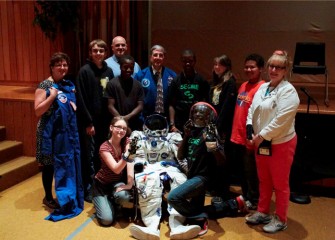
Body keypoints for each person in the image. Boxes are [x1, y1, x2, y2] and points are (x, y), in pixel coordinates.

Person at [245, 50, 300, 233]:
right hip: (261, 143)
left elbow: (281, 121)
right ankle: (263, 211)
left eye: (279, 67)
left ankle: (281, 218)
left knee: (280, 184)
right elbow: (253, 109)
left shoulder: (289, 92)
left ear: (286, 71)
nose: (274, 69)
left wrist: (260, 137)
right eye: (272, 66)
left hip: (281, 144)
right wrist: (249, 128)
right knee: (264, 180)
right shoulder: (263, 87)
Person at [129, 114, 201, 240]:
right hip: (148, 168)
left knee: (180, 180)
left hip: (170, 167)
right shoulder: (138, 136)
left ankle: (177, 224)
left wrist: (190, 173)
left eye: (158, 127)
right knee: (148, 181)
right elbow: (137, 156)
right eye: (153, 126)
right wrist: (139, 167)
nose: (156, 130)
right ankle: (151, 226)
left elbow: (181, 157)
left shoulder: (173, 136)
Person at [35, 52, 84, 221]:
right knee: (48, 165)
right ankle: (48, 196)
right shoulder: (45, 85)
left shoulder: (66, 84)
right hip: (47, 133)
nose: (63, 68)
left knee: (63, 163)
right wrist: (53, 96)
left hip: (63, 133)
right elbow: (38, 110)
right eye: (59, 65)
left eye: (65, 65)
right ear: (52, 67)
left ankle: (64, 193)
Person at [167, 102, 225, 237]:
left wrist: (213, 146)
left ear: (208, 117)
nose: (198, 114)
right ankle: (231, 205)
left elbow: (222, 161)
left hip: (203, 178)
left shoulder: (211, 133)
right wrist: (186, 135)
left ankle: (200, 216)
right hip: (192, 175)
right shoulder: (191, 132)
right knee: (195, 207)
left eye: (202, 113)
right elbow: (180, 156)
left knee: (173, 197)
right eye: (196, 112)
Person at [76, 39, 114, 202]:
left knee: (102, 155)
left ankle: (101, 185)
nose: (98, 53)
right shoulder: (84, 72)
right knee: (90, 157)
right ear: (90, 53)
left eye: (101, 51)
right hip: (90, 123)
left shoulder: (109, 71)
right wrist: (88, 122)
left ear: (106, 53)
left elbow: (111, 96)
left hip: (105, 122)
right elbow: (81, 99)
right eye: (95, 50)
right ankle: (90, 189)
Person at [230, 53, 265, 210]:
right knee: (242, 171)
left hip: (250, 137)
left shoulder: (263, 88)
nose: (249, 69)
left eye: (253, 67)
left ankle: (255, 200)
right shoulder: (243, 85)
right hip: (236, 136)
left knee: (252, 172)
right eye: (247, 67)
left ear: (261, 69)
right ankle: (247, 197)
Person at [92, 116, 135, 226]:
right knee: (107, 221)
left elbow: (130, 162)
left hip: (116, 182)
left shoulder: (126, 141)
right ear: (111, 128)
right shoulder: (104, 147)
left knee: (124, 196)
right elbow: (116, 169)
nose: (122, 130)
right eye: (118, 127)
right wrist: (127, 154)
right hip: (101, 185)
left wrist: (130, 183)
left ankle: (113, 201)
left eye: (124, 128)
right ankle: (105, 201)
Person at [208, 54, 237, 202]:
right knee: (213, 157)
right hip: (213, 126)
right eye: (215, 64)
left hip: (223, 128)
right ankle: (215, 187)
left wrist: (218, 127)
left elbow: (226, 108)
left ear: (227, 67)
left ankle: (223, 191)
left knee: (223, 159)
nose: (217, 67)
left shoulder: (230, 83)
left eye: (220, 65)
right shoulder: (215, 82)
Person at [168, 49, 210, 133]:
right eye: (185, 61)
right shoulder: (176, 81)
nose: (187, 63)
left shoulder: (201, 80)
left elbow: (207, 103)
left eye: (190, 61)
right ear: (181, 62)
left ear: (195, 61)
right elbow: (171, 104)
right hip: (179, 124)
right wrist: (172, 125)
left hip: (197, 123)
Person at [134, 45, 176, 121]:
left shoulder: (172, 75)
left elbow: (174, 100)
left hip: (166, 119)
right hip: (145, 118)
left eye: (161, 55)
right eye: (155, 55)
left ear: (164, 58)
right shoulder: (141, 75)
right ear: (150, 57)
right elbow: (135, 98)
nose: (158, 58)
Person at [105, 55, 144, 132]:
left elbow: (140, 106)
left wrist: (127, 117)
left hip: (134, 124)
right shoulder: (112, 84)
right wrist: (121, 120)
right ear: (120, 67)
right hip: (116, 124)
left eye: (131, 68)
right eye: (125, 67)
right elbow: (110, 105)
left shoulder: (138, 85)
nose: (128, 70)